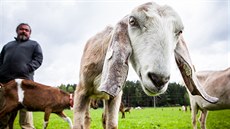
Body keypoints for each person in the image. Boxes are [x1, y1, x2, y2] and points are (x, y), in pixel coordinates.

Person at [0, 23, 43, 129]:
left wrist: (26, 68)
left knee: (25, 112)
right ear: (17, 31)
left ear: (30, 33)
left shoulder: (34, 44)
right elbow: (0, 61)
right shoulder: (7, 46)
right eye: (21, 29)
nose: (24, 31)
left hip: (25, 83)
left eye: (26, 30)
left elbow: (38, 59)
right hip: (6, 83)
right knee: (3, 112)